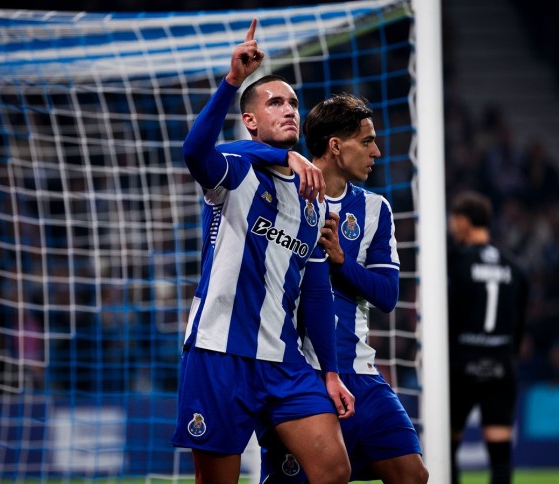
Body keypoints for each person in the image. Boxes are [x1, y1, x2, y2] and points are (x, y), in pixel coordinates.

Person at [170, 19, 355, 484]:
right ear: (250, 120)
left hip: (284, 360)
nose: (289, 109)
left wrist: (331, 372)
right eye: (275, 102)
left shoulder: (315, 201)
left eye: (293, 103)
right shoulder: (235, 172)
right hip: (219, 353)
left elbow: (317, 294)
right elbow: (194, 150)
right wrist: (233, 81)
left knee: (333, 470)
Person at [257, 93, 429, 483]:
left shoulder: (375, 209)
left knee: (413, 475)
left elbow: (387, 295)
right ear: (336, 146)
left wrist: (341, 260)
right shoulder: (281, 195)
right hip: (299, 373)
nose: (377, 152)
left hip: (361, 374)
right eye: (367, 141)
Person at [446, 190, 530, 484]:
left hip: (461, 364)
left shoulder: (455, 263)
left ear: (464, 222)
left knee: (446, 450)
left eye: (454, 220)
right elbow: (519, 326)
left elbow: (447, 315)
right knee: (500, 455)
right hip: (501, 365)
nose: (451, 226)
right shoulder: (515, 267)